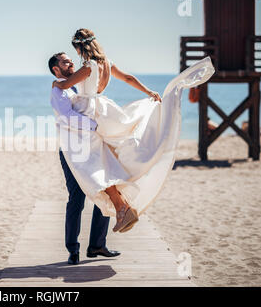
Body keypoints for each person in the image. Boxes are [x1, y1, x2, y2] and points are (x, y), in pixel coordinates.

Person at [52, 28, 215, 234]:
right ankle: (122, 208)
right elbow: (128, 78)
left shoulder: (87, 67)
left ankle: (121, 209)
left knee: (90, 166)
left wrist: (55, 82)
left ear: (79, 47)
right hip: (105, 109)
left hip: (91, 113)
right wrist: (148, 91)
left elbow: (65, 84)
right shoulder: (107, 64)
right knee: (108, 159)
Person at [49, 52, 121, 265]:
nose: (70, 62)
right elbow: (67, 116)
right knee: (77, 200)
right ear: (56, 69)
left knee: (104, 191)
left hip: (92, 148)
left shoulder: (78, 86)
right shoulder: (58, 89)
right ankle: (73, 250)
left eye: (70, 59)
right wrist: (95, 125)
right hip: (72, 152)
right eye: (65, 61)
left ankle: (97, 245)